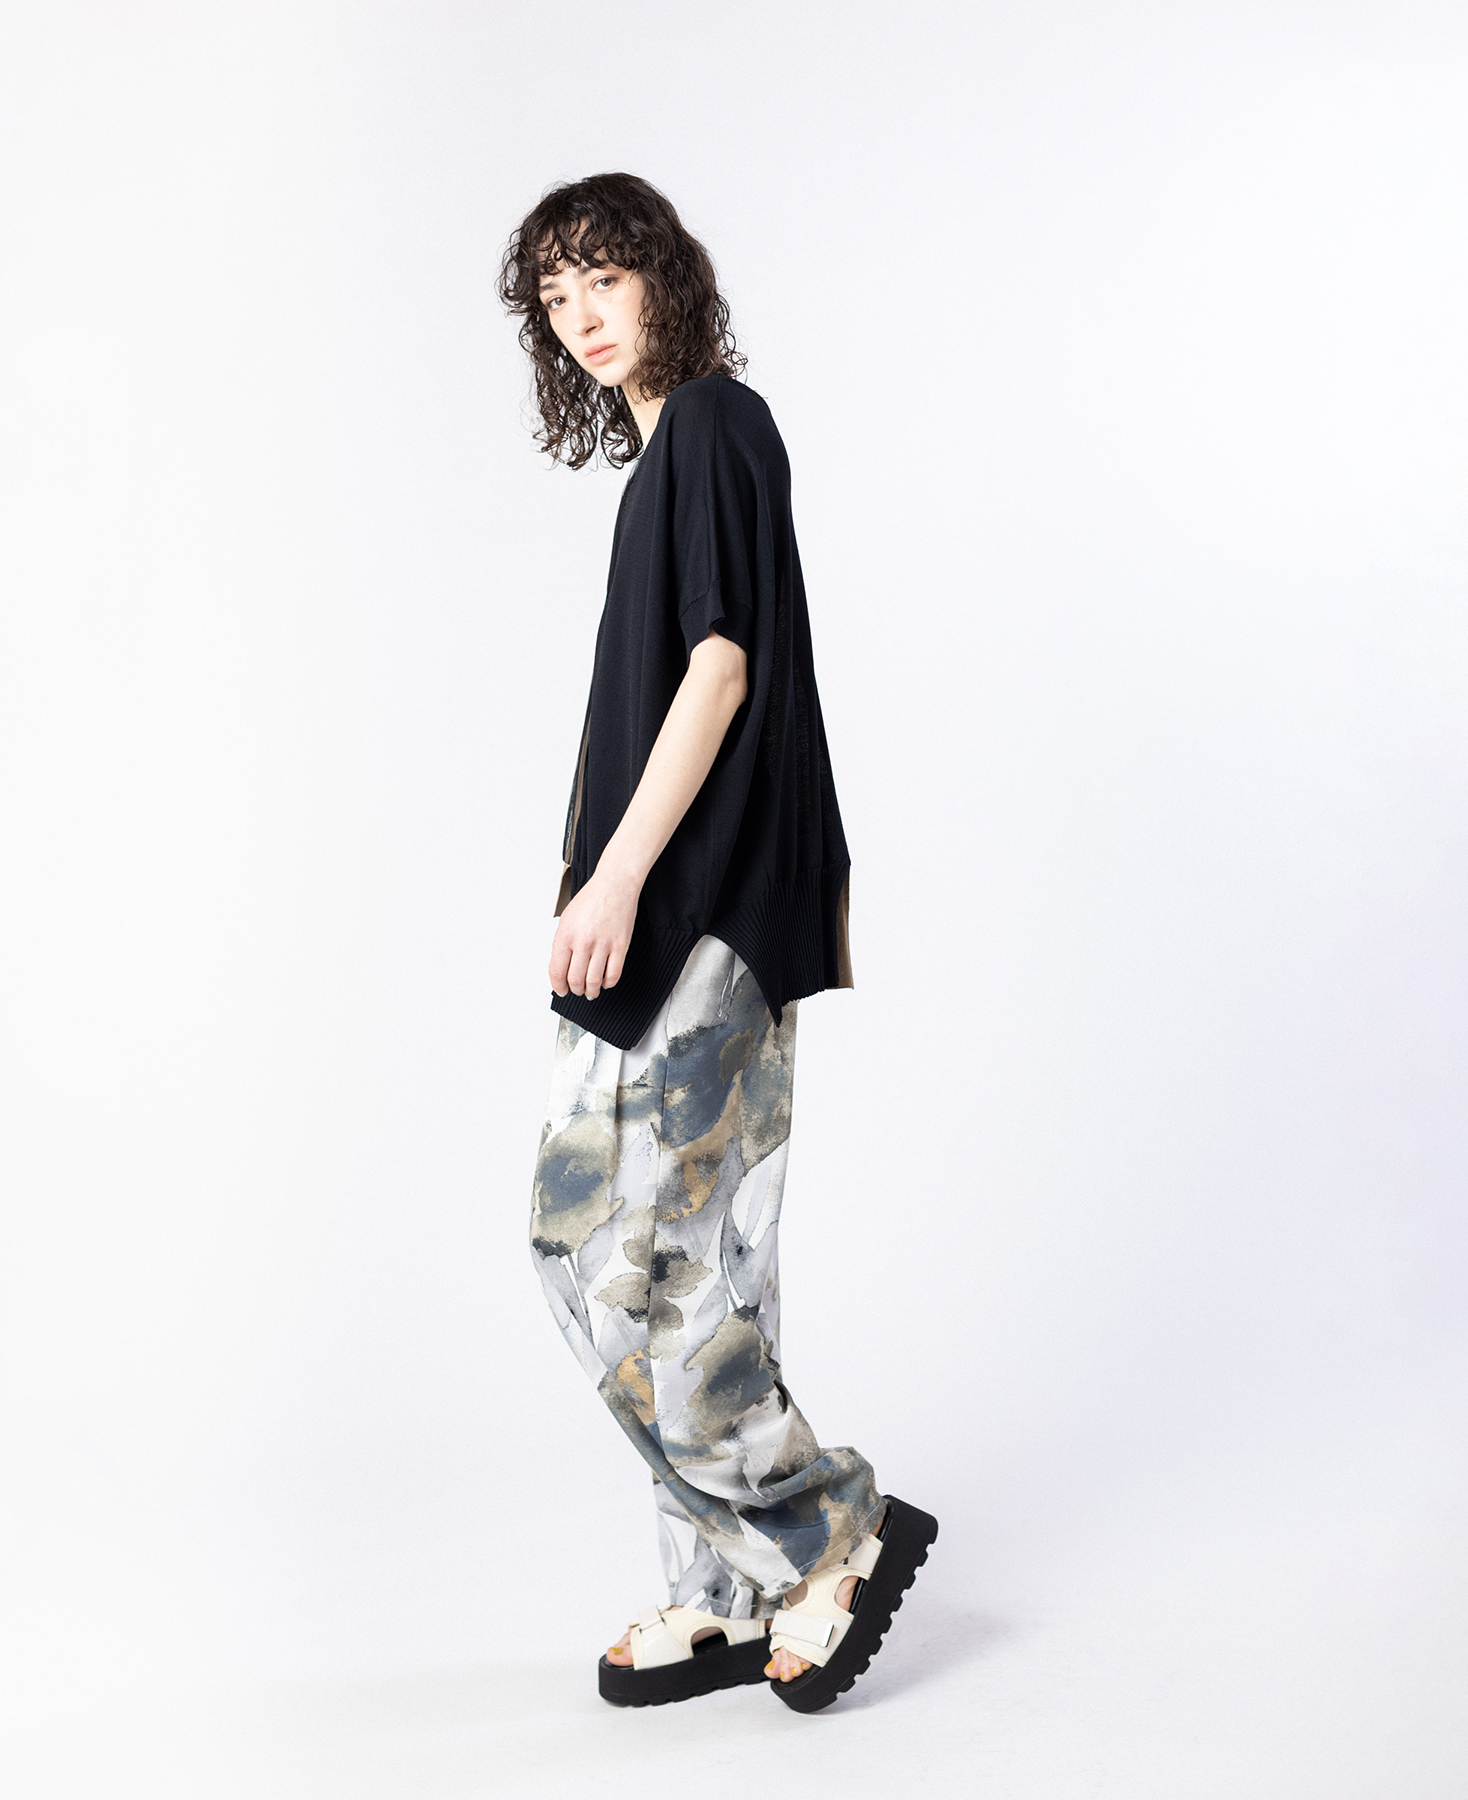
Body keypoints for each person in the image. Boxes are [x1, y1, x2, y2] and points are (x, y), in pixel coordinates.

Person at [498, 172, 936, 1714]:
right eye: (556, 298)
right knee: (687, 1269)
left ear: (663, 276)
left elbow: (721, 670)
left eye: (603, 277)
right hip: (669, 917)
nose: (582, 314)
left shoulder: (711, 425)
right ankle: (729, 1587)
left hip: (695, 914)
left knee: (605, 1255)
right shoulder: (666, 460)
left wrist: (615, 879)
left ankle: (826, 1531)